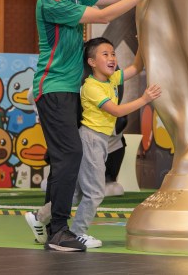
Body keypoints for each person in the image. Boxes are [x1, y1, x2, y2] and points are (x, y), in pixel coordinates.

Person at [23, 0, 172, 252]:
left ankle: (48, 222)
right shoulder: (51, 3)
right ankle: (59, 232)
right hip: (53, 88)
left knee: (68, 158)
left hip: (70, 89)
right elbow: (104, 16)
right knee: (69, 156)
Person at [32, 38, 161, 249]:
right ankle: (78, 232)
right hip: (92, 140)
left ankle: (39, 216)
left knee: (76, 193)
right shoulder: (92, 87)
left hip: (99, 140)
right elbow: (116, 111)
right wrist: (144, 99)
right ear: (91, 62)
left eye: (113, 54)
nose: (112, 58)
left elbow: (137, 67)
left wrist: (142, 39)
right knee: (95, 193)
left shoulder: (112, 78)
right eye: (105, 54)